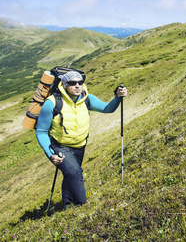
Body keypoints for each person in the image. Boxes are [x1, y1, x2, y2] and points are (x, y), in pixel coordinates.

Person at [36, 71, 127, 210]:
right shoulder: (52, 103)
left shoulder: (87, 99)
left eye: (80, 82)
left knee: (70, 174)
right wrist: (51, 154)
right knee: (74, 172)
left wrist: (117, 97)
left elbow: (107, 109)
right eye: (73, 83)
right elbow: (41, 131)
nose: (77, 86)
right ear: (64, 84)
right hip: (59, 146)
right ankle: (81, 206)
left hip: (80, 146)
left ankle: (67, 206)